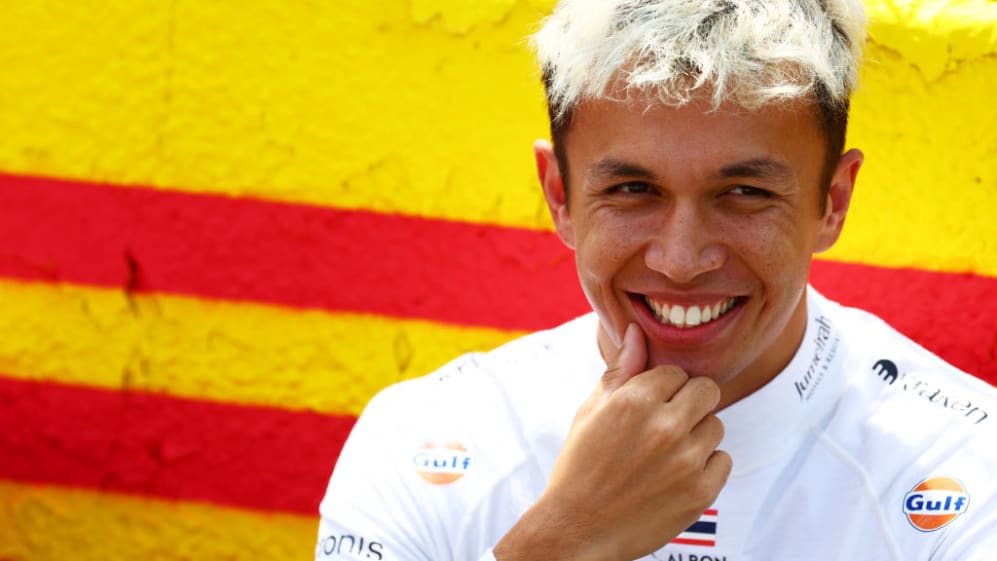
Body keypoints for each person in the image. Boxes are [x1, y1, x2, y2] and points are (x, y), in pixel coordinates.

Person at [315, 1, 997, 559]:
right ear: (559, 195)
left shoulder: (969, 467)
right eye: (634, 188)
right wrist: (563, 540)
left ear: (833, 202)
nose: (680, 257)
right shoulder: (419, 435)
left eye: (744, 193)